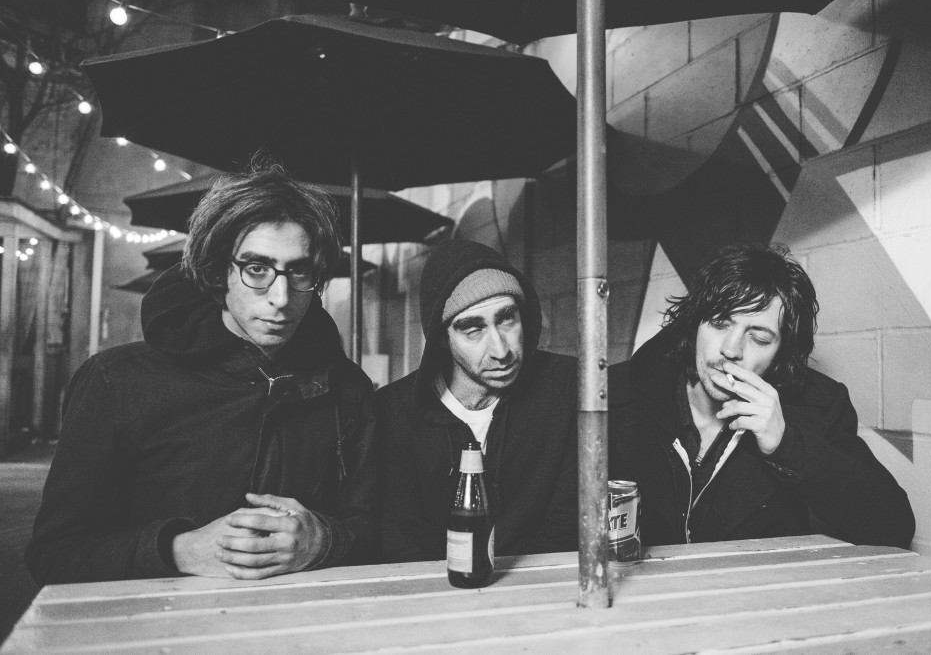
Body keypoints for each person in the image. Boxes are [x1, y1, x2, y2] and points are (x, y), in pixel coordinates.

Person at [26, 160, 378, 584]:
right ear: (217, 272)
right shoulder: (116, 382)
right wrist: (177, 550)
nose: (281, 297)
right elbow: (54, 554)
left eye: (299, 270)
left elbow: (377, 529)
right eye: (257, 269)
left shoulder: (347, 389)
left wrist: (325, 541)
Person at [609, 243, 915, 548]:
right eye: (719, 323)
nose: (731, 349)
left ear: (782, 353)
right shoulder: (616, 393)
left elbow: (894, 527)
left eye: (759, 338)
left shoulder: (820, 406)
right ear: (694, 325)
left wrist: (787, 445)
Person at [376, 239, 577, 562]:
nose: (501, 350)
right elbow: (402, 542)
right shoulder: (394, 413)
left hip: (545, 583)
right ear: (442, 339)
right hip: (438, 588)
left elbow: (569, 527)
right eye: (473, 329)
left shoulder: (565, 387)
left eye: (507, 319)